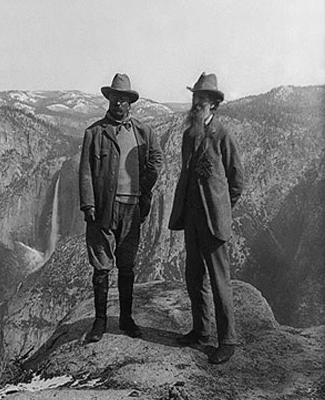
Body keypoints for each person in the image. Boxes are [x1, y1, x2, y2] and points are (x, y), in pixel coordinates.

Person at [79, 73, 163, 343]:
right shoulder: (94, 133)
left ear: (130, 103)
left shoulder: (143, 133)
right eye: (115, 98)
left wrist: (146, 186)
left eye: (123, 99)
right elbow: (85, 172)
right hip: (103, 209)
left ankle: (126, 319)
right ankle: (100, 321)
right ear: (109, 100)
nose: (119, 104)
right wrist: (88, 204)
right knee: (101, 267)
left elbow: (156, 159)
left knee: (127, 266)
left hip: (132, 208)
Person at [169, 72, 243, 364]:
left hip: (214, 221)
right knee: (193, 276)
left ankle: (227, 340)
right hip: (192, 219)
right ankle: (201, 330)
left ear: (214, 105)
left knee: (219, 281)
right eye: (195, 98)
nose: (197, 103)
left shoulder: (223, 135)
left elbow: (237, 180)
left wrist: (222, 207)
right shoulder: (189, 135)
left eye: (203, 99)